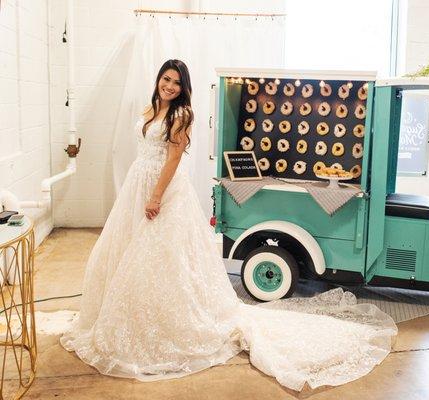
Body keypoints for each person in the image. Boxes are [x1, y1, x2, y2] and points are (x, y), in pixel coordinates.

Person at [60, 59, 397, 391]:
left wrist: (156, 196)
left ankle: (167, 320)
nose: (170, 86)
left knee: (160, 254)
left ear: (183, 88)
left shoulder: (181, 114)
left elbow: (174, 158)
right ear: (158, 80)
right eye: (166, 79)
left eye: (177, 82)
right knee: (129, 250)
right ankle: (128, 314)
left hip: (160, 187)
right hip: (139, 182)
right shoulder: (151, 110)